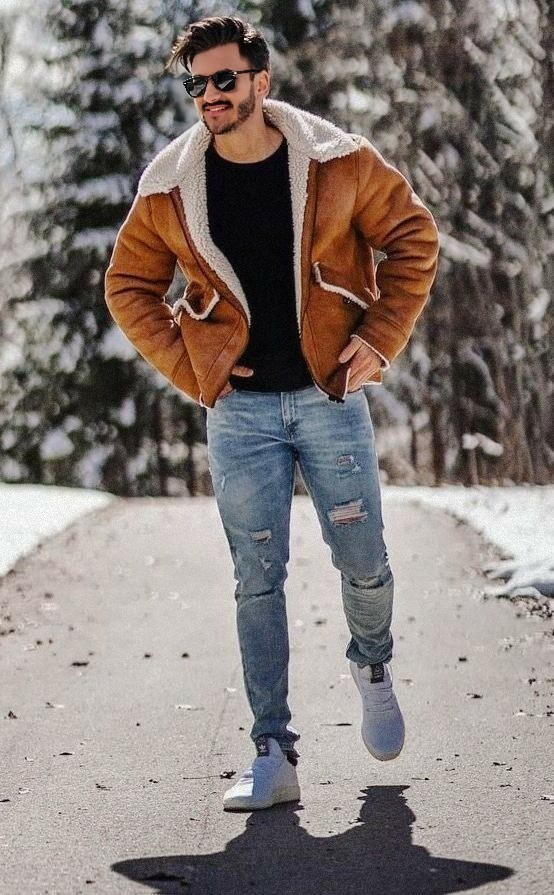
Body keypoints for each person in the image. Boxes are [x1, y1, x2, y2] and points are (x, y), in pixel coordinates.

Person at [104, 15, 440, 812]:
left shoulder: (336, 161)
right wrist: (197, 371)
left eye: (224, 79)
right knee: (257, 580)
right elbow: (128, 286)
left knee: (364, 560)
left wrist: (379, 338)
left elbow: (414, 238)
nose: (210, 96)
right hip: (241, 416)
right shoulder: (170, 187)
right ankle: (272, 749)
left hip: (330, 399)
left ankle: (372, 661)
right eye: (196, 84)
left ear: (261, 79)